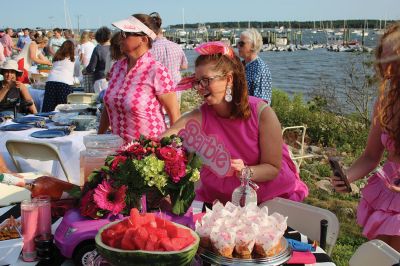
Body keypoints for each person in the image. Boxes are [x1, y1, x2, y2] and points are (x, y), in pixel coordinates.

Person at [162, 41, 308, 205]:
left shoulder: (262, 113)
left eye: (206, 80)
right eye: (197, 81)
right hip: (219, 200)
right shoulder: (201, 115)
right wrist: (139, 150)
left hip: (269, 198)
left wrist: (245, 171)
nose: (199, 88)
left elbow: (273, 168)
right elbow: (165, 137)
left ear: (229, 79)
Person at [331, 23, 400, 252]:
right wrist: (347, 177)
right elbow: (371, 156)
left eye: (395, 63)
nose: (388, 71)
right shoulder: (386, 102)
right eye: (384, 61)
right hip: (387, 193)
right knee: (376, 256)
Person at [98, 13, 180, 142]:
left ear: (144, 40)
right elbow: (108, 108)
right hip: (117, 153)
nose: (120, 38)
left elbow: (175, 117)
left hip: (148, 153)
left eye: (125, 34)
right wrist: (99, 138)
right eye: (121, 33)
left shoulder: (157, 71)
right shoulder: (117, 68)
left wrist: (173, 149)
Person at [150, 12, 188, 87]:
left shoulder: (149, 49)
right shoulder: (177, 46)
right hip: (175, 85)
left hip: (158, 87)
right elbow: (184, 66)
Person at [238, 28, 272, 104]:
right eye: (238, 43)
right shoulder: (242, 65)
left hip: (251, 114)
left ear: (253, 45)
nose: (238, 46)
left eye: (241, 44)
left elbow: (261, 103)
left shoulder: (260, 69)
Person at [41, 40, 75, 112]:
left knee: (48, 109)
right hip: (65, 83)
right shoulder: (73, 60)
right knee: (63, 110)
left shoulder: (56, 58)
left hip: (51, 81)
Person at [84, 26, 111, 93]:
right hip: (113, 79)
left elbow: (91, 67)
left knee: (100, 101)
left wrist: (85, 71)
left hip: (100, 78)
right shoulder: (114, 48)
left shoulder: (97, 49)